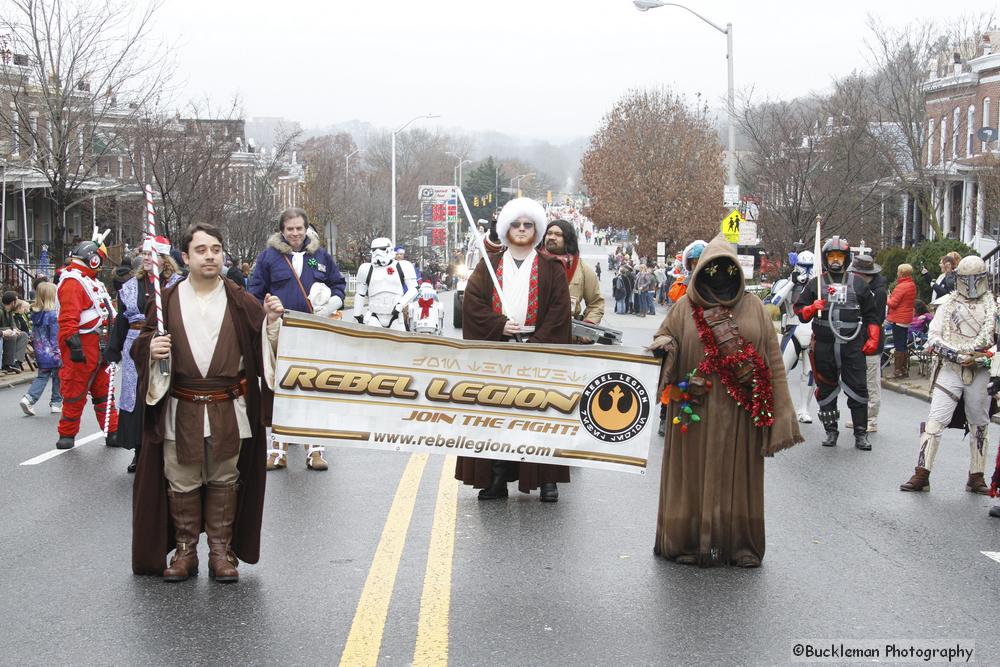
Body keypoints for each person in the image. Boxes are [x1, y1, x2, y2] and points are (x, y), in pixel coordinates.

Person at [131, 222, 283, 582]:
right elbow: (141, 345)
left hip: (228, 408)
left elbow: (264, 345)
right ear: (185, 257)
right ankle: (186, 552)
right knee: (180, 479)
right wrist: (151, 349)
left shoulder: (239, 299)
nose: (210, 256)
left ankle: (220, 552)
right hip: (180, 408)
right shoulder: (166, 301)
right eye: (201, 250)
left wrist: (272, 323)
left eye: (215, 249)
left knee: (224, 478)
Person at [648, 234, 802, 567]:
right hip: (695, 408)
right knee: (689, 475)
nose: (718, 275)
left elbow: (773, 361)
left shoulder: (756, 309)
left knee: (741, 475)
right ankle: (686, 540)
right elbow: (664, 337)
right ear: (700, 270)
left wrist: (779, 412)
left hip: (740, 411)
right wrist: (666, 347)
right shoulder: (683, 308)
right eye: (711, 268)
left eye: (725, 268)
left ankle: (739, 546)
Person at [455, 197, 571, 502]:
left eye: (528, 224)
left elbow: (560, 310)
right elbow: (472, 303)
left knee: (542, 414)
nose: (521, 229)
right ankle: (497, 478)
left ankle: (547, 480)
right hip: (499, 350)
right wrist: (498, 324)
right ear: (506, 229)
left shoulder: (551, 267)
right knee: (498, 416)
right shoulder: (489, 265)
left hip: (538, 350)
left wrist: (537, 343)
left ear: (536, 230)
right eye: (516, 224)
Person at [249, 207, 345, 471]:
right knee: (280, 391)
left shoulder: (321, 256)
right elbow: (254, 293)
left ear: (306, 229)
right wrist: (266, 312)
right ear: (282, 229)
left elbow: (338, 284)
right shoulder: (269, 258)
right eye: (289, 229)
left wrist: (331, 305)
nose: (294, 233)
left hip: (314, 331)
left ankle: (315, 450)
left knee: (313, 388)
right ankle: (277, 451)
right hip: (281, 331)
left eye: (299, 228)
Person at [900, 255, 997, 495]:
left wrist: (988, 357)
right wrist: (955, 355)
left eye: (977, 279)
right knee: (935, 420)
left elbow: (997, 342)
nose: (972, 284)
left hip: (980, 370)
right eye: (967, 279)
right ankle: (922, 473)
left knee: (980, 425)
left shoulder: (994, 307)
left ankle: (976, 476)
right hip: (951, 368)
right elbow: (934, 337)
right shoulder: (947, 304)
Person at [793, 237, 879, 451]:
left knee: (859, 388)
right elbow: (799, 312)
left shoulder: (858, 283)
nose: (835, 260)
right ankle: (831, 431)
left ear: (846, 258)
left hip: (852, 346)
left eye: (839, 256)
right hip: (824, 345)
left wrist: (873, 337)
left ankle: (861, 434)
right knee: (825, 389)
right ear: (825, 258)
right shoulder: (816, 284)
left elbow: (872, 313)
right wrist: (812, 308)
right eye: (832, 256)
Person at [107, 236, 183, 473]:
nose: (147, 259)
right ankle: (139, 452)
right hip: (135, 347)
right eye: (145, 255)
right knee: (138, 397)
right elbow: (121, 320)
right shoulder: (130, 286)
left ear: (163, 258)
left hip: (165, 345)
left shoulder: (176, 285)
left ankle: (164, 452)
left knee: (163, 396)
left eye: (152, 255)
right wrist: (112, 352)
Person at [55, 232, 118, 449]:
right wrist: (74, 346)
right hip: (83, 346)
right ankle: (67, 433)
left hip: (99, 346)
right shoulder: (73, 281)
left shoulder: (88, 281)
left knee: (104, 392)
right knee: (75, 392)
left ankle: (112, 430)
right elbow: (68, 318)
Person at [769, 250, 817, 423]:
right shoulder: (785, 282)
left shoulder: (819, 284)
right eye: (804, 266)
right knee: (780, 370)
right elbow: (773, 303)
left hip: (812, 330)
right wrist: (791, 283)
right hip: (793, 328)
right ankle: (774, 406)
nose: (807, 270)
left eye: (810, 267)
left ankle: (804, 409)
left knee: (810, 373)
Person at [848, 253, 887, 433]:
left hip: (872, 339)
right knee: (860, 381)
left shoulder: (878, 292)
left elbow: (876, 319)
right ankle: (861, 417)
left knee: (871, 381)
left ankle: (871, 418)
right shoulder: (864, 287)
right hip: (859, 338)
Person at [541, 219, 604, 329]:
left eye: (558, 234)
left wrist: (589, 325)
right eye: (549, 233)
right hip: (534, 333)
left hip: (566, 334)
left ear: (567, 239)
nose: (551, 237)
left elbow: (596, 303)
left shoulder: (582, 269)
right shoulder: (533, 262)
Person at [353, 237, 419, 330]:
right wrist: (357, 314)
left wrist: (400, 305)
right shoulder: (366, 269)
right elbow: (360, 293)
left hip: (396, 316)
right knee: (372, 343)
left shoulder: (403, 266)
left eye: (382, 249)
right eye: (374, 250)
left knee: (397, 343)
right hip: (374, 314)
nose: (377, 252)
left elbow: (414, 289)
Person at [19, 281, 61, 416]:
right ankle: (56, 402)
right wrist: (59, 352)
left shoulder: (35, 314)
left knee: (42, 376)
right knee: (58, 377)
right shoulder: (53, 315)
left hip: (40, 351)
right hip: (53, 351)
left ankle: (28, 398)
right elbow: (54, 336)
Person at [886, 263, 917, 379]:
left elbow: (893, 303)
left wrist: (887, 297)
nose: (897, 273)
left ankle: (898, 371)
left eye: (898, 271)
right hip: (906, 318)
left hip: (898, 318)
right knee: (903, 344)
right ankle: (904, 370)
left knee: (898, 344)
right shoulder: (912, 284)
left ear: (901, 273)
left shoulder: (901, 286)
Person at [0, 291, 29, 372]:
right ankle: (7, 364)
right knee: (12, 336)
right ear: (13, 302)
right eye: (16, 301)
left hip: (7, 331)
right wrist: (7, 330)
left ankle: (16, 362)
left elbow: (12, 323)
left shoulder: (9, 310)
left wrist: (15, 328)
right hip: (3, 333)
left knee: (23, 335)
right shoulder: (1, 311)